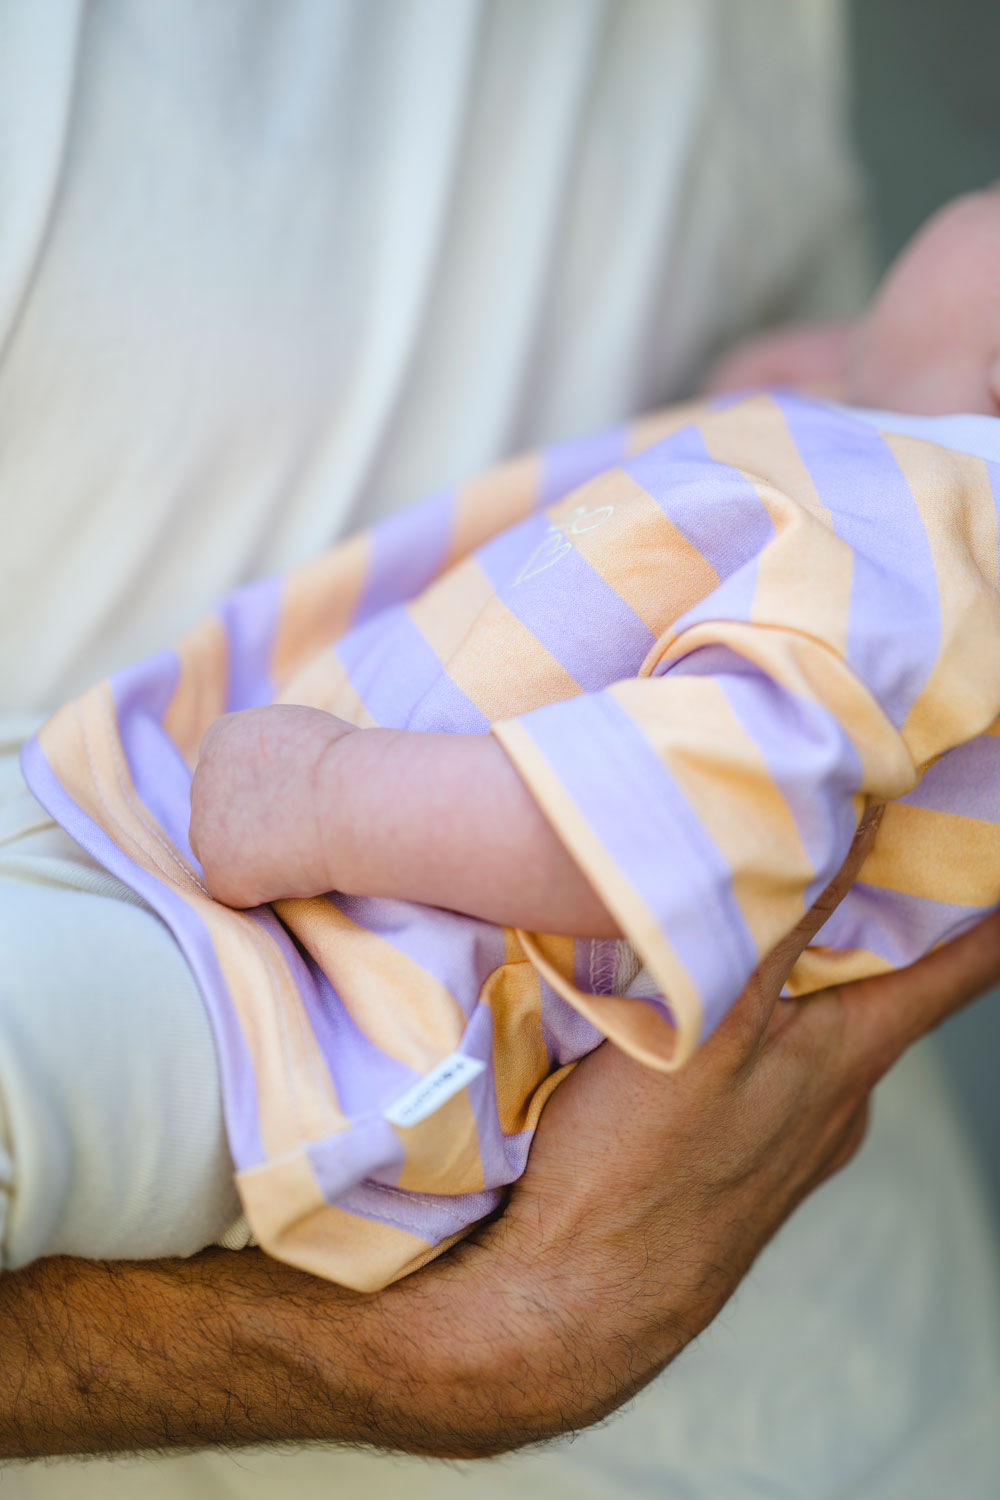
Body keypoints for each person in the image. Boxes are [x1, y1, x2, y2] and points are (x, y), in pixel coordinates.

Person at [1, 3, 999, 1494]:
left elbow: (667, 830)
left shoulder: (929, 537)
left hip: (341, 999)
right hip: (284, 939)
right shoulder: (900, 499)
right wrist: (838, 376)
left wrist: (334, 802)